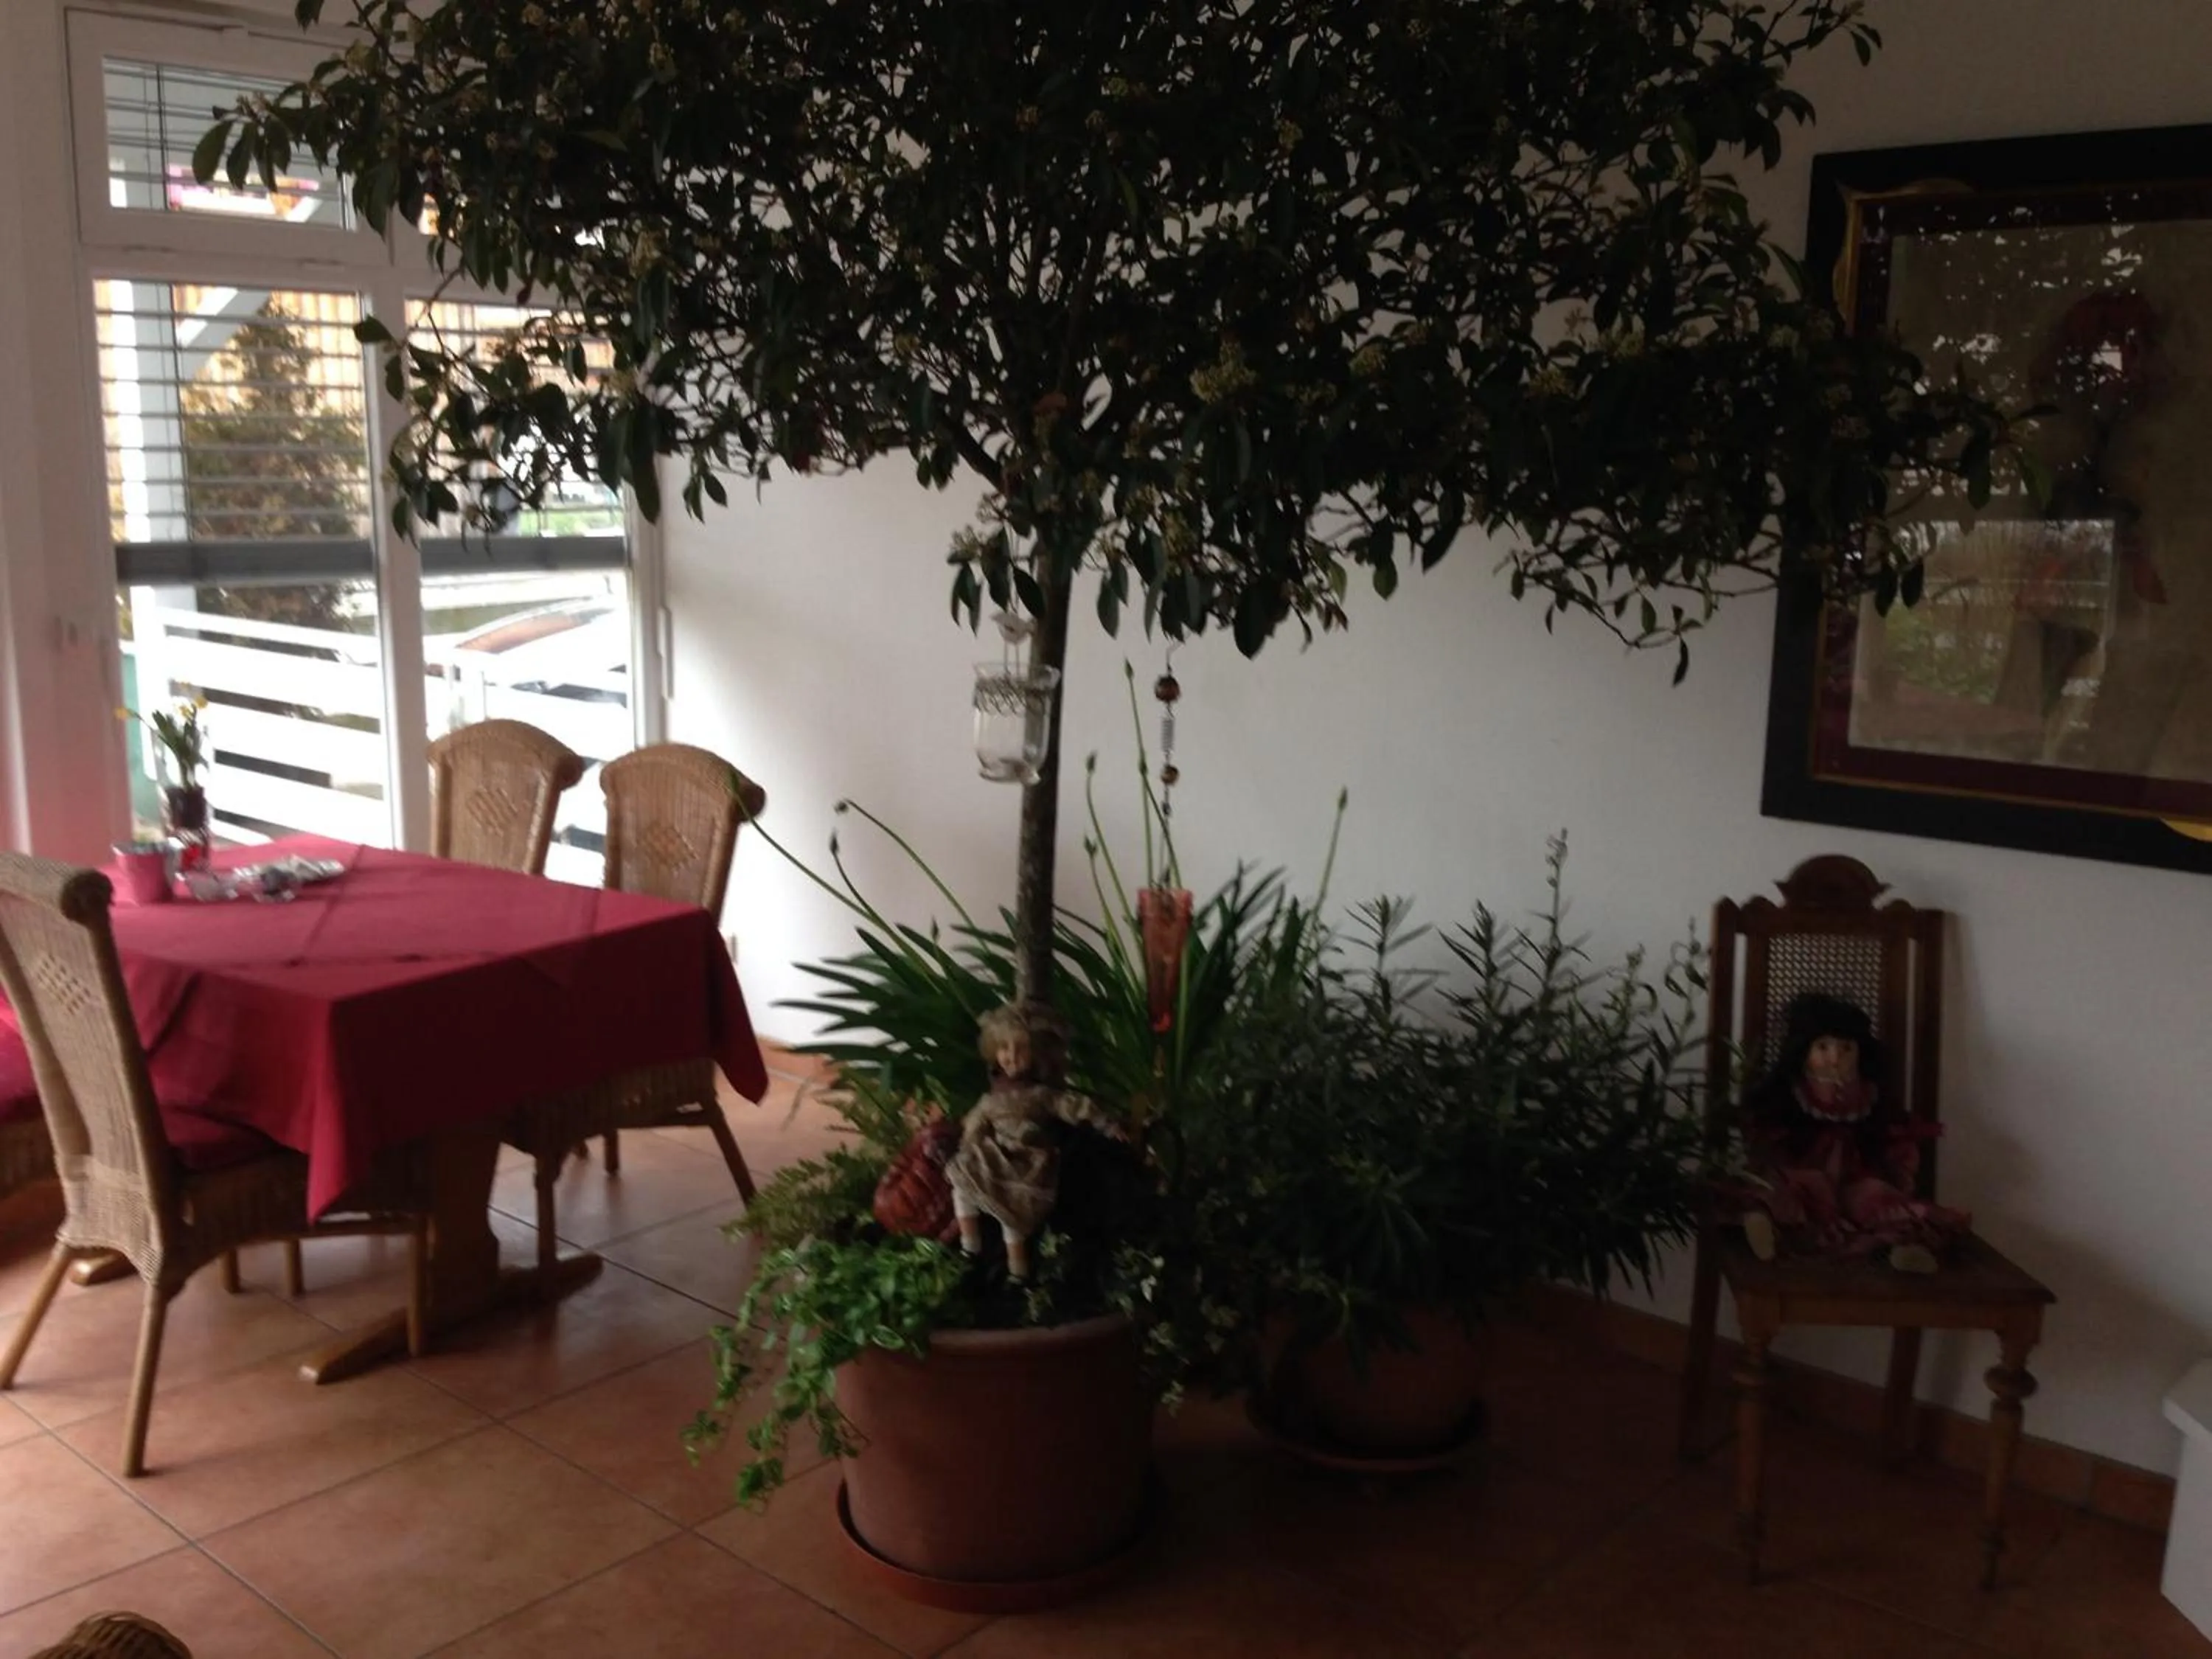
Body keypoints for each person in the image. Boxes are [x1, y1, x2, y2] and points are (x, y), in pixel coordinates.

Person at [1731, 993, 1969, 1273]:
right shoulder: (1793, 1092)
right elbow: (1769, 1135)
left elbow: (1888, 1132)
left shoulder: (1869, 1094)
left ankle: (1905, 1248)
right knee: (1785, 1190)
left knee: (1877, 1197)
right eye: (1823, 1047)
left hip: (1856, 1177)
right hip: (1807, 1173)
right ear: (1803, 1053)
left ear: (1861, 1052)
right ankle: (1764, 1227)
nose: (1835, 1058)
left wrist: (1897, 1157)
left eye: (1846, 1049)